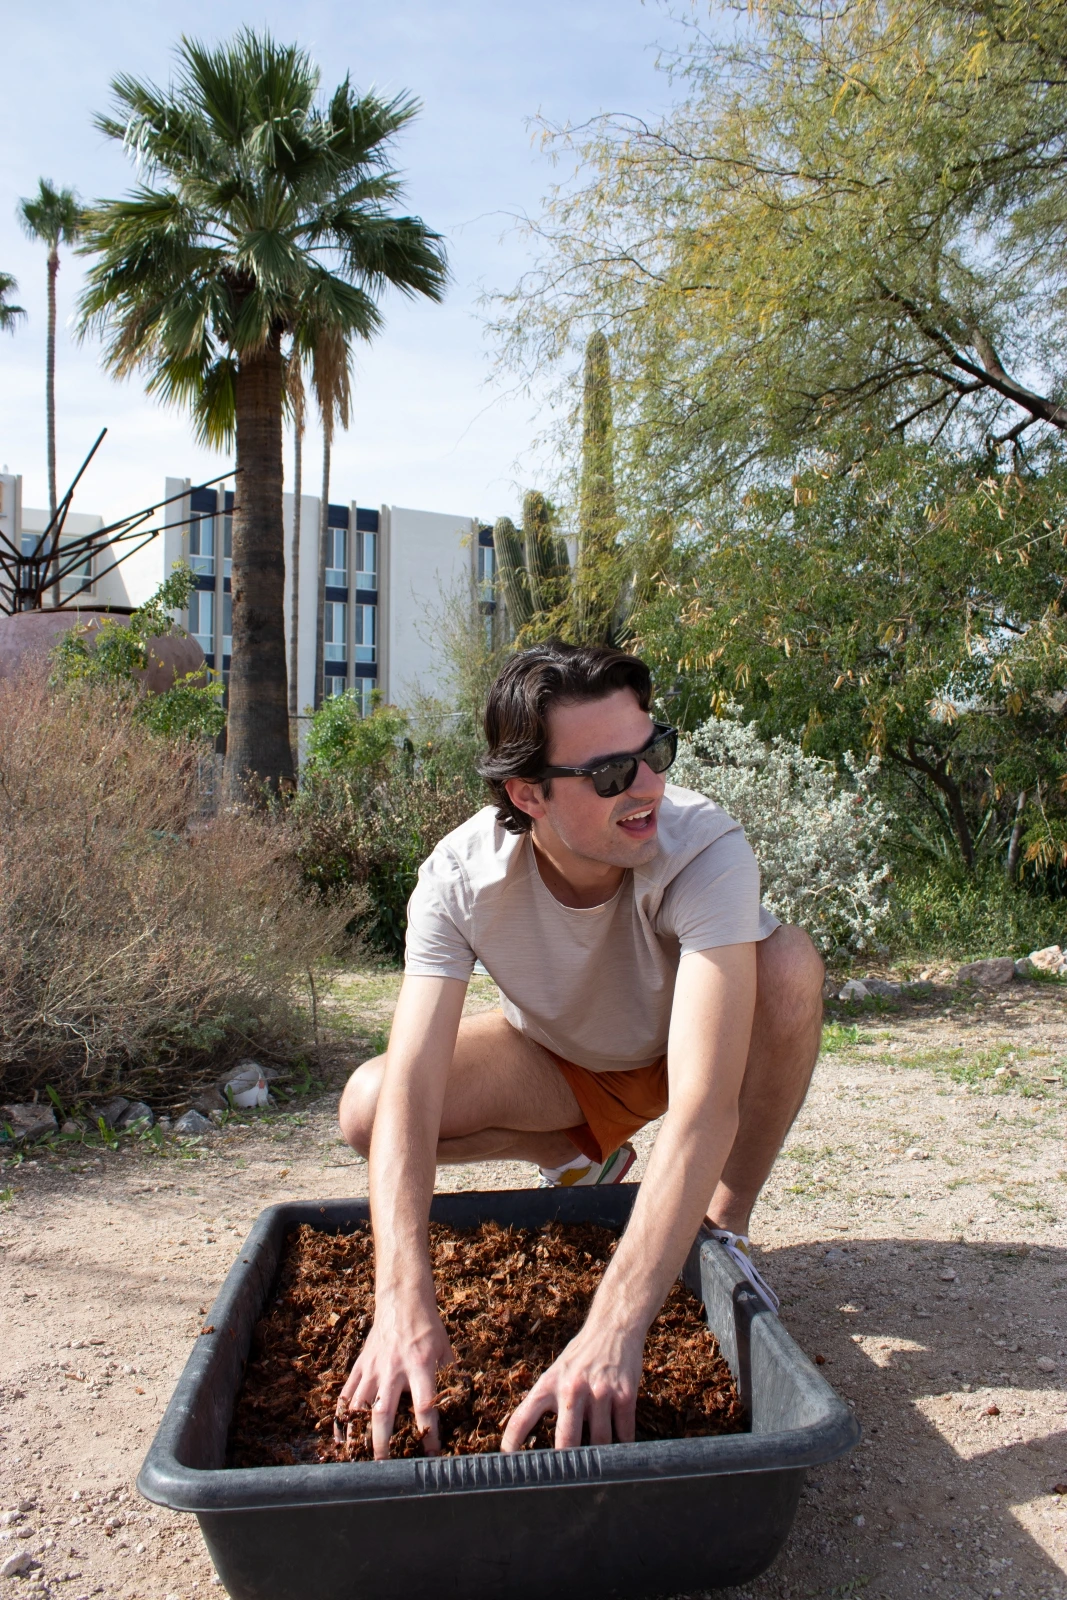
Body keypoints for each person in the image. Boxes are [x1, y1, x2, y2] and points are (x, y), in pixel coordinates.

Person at [337, 642, 824, 1459]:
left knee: (786, 965)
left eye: (653, 755)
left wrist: (612, 1330)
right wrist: (400, 1301)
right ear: (528, 794)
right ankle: (577, 1156)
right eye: (608, 776)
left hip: (694, 1050)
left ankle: (721, 1234)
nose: (647, 789)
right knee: (369, 1104)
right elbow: (414, 1091)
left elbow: (704, 1106)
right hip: (565, 1068)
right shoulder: (458, 878)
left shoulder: (702, 846)